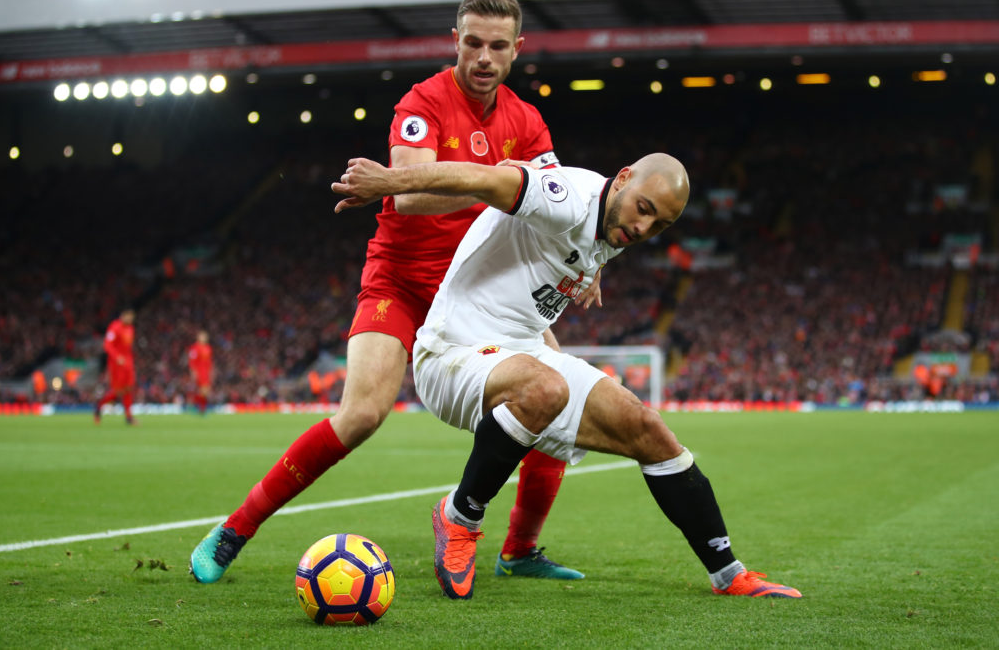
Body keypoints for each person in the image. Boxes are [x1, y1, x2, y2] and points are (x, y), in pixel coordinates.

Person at [190, 0, 595, 583]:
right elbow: (404, 195)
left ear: (517, 50)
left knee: (553, 401)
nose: (484, 57)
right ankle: (234, 530)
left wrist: (591, 260)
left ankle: (519, 551)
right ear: (455, 40)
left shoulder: (527, 121)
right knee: (362, 414)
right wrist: (496, 184)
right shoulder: (422, 101)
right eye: (474, 43)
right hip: (401, 280)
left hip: (485, 290)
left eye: (498, 47)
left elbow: (561, 206)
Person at [332, 153, 803, 601]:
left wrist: (591, 267)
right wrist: (387, 183)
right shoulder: (565, 197)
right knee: (545, 388)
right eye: (643, 209)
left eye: (660, 224)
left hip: (522, 352)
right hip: (451, 351)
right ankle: (459, 516)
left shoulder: (612, 228)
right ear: (621, 179)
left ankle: (728, 574)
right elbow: (487, 178)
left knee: (648, 429)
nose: (643, 228)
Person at [94, 309, 137, 426]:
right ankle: (99, 406)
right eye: (128, 316)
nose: (130, 319)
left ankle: (129, 417)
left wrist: (130, 361)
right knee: (118, 392)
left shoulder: (130, 329)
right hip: (116, 364)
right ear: (122, 316)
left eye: (132, 317)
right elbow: (107, 345)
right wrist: (117, 357)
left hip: (128, 363)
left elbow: (128, 348)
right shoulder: (115, 327)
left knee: (129, 389)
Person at [188, 330, 213, 413]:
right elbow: (192, 362)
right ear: (198, 337)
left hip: (206, 372)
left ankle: (200, 407)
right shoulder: (194, 348)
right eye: (202, 336)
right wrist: (193, 372)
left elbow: (209, 362)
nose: (204, 338)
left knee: (206, 391)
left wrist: (210, 372)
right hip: (199, 371)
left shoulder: (208, 348)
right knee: (202, 390)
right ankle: (200, 407)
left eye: (205, 336)